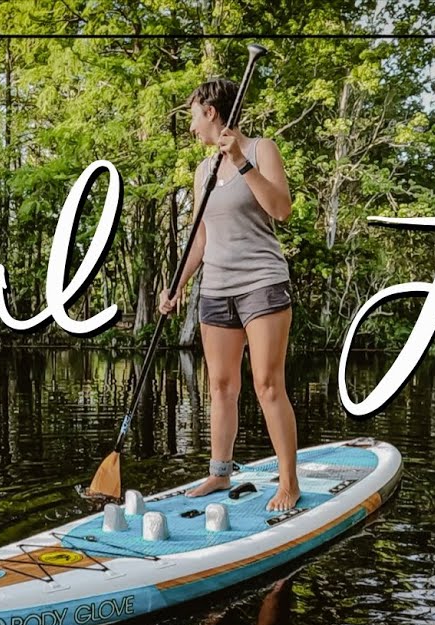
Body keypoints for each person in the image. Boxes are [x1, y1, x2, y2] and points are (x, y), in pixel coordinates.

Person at [159, 78, 299, 512]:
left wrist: (240, 161)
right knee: (220, 386)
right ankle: (220, 473)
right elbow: (200, 238)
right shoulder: (202, 172)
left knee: (267, 385)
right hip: (216, 289)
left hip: (261, 283)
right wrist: (177, 284)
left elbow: (281, 209)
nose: (191, 127)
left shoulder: (261, 149)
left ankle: (289, 483)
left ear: (211, 112)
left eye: (193, 117)